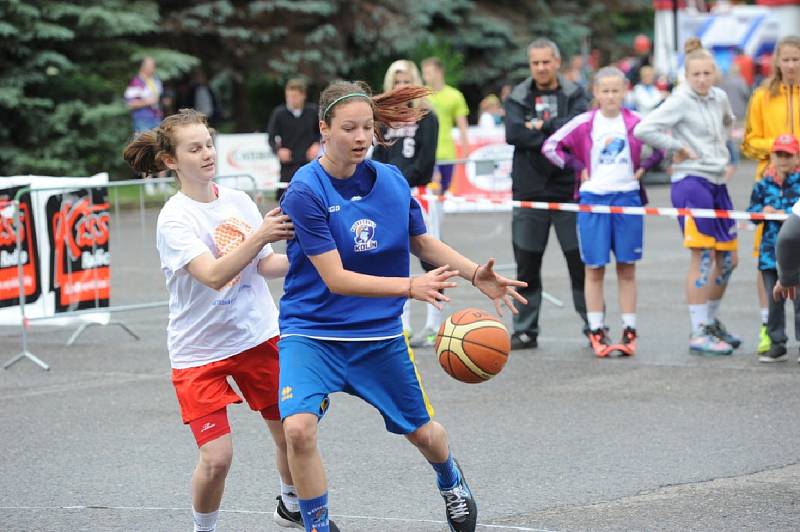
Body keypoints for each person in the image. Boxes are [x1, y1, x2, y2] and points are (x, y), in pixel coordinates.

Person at [277, 79, 526, 532]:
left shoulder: (390, 181)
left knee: (425, 434)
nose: (360, 138)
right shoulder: (305, 190)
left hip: (378, 337)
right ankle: (316, 524)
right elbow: (335, 278)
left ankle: (451, 481)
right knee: (297, 429)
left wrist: (475, 274)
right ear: (323, 129)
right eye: (349, 128)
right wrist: (409, 285)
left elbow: (420, 240)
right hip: (312, 331)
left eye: (367, 128)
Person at [122, 109, 303, 532]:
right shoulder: (174, 218)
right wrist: (260, 236)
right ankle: (205, 528)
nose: (206, 154)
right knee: (217, 458)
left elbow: (264, 265)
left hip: (257, 335)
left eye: (208, 144)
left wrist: (309, 258)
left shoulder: (237, 200)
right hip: (199, 351)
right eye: (194, 148)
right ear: (170, 160)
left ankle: (291, 504)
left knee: (291, 433)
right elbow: (213, 274)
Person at [543, 66, 663, 357]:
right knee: (594, 268)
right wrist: (577, 168)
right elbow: (550, 146)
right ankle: (596, 329)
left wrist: (645, 167)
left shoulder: (637, 121)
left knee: (626, 268)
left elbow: (662, 145)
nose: (610, 96)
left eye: (616, 91)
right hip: (594, 199)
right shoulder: (585, 122)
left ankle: (629, 329)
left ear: (625, 91)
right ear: (596, 93)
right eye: (605, 91)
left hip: (627, 199)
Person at [635, 46, 740, 356]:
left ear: (715, 73)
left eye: (708, 73)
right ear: (686, 75)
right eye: (696, 74)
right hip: (691, 182)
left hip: (717, 181)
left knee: (730, 259)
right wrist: (675, 147)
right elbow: (644, 129)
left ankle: (709, 321)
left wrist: (727, 158)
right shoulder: (680, 99)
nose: (703, 79)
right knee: (703, 256)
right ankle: (698, 332)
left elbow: (726, 127)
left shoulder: (719, 97)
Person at [504, 37, 591, 350]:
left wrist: (539, 126)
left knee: (580, 262)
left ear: (557, 62)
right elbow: (513, 133)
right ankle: (525, 330)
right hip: (529, 191)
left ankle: (593, 325)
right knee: (527, 264)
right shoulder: (518, 95)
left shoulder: (575, 93)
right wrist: (555, 132)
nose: (541, 68)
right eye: (535, 63)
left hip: (568, 191)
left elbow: (579, 129)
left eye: (546, 62)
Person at [371, 59, 441, 343]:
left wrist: (399, 180)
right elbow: (378, 160)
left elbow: (427, 162)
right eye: (397, 81)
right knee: (395, 258)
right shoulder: (382, 121)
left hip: (418, 194)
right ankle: (403, 322)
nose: (401, 87)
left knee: (429, 257)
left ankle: (435, 323)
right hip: (389, 198)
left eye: (406, 81)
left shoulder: (428, 117)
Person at [742, 35, 800, 355]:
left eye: (796, 59)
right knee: (768, 260)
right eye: (786, 59)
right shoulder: (763, 95)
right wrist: (781, 147)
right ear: (777, 61)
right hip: (771, 182)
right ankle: (769, 326)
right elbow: (749, 142)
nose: (791, 65)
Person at [747, 134, 800, 362]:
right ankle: (776, 342)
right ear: (771, 156)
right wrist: (762, 211)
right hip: (769, 253)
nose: (783, 160)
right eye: (779, 154)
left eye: (788, 155)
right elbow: (752, 214)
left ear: (797, 158)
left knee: (799, 300)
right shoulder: (762, 184)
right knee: (773, 300)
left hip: (796, 254)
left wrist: (784, 213)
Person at [421, 57, 470, 193]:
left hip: (447, 153)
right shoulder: (421, 95)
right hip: (427, 152)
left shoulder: (455, 96)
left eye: (428, 73)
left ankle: (438, 214)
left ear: (439, 72)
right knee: (431, 191)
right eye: (424, 73)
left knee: (444, 192)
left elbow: (462, 126)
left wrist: (466, 150)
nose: (425, 77)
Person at [267, 78, 321, 201]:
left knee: (312, 195)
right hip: (288, 163)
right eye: (289, 96)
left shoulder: (313, 111)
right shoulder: (279, 113)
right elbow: (270, 137)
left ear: (303, 95)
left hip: (309, 161)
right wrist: (278, 151)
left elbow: (320, 132)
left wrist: (316, 144)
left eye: (295, 96)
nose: (291, 100)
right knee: (284, 198)